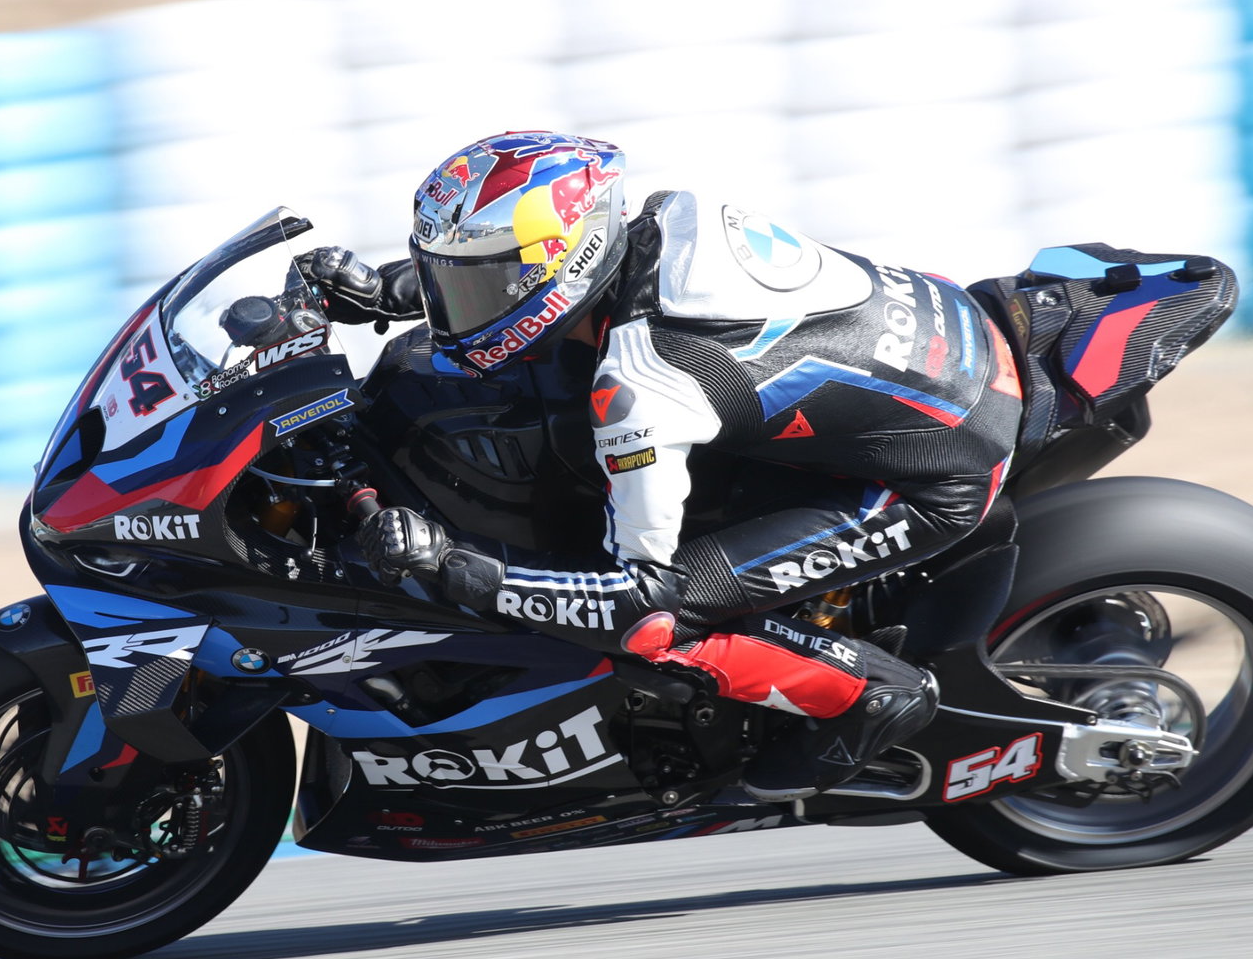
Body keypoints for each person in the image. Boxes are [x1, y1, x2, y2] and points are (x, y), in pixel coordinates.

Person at [300, 130, 1022, 802]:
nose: (451, 302)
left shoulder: (644, 385)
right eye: (444, 278)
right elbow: (520, 281)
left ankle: (869, 695)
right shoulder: (654, 224)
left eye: (469, 283)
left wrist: (455, 563)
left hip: (929, 476)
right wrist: (388, 292)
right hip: (942, 350)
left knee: (653, 626)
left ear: (563, 262)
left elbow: (634, 594)